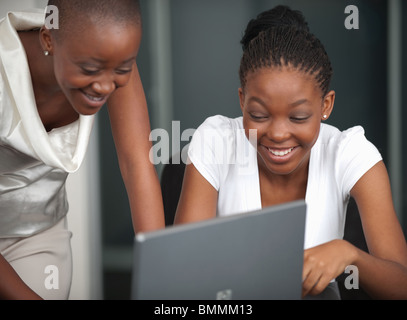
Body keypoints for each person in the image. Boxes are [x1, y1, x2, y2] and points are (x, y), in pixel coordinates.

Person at [174, 5, 407, 299]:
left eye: (298, 117)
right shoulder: (216, 141)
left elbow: (402, 284)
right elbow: (180, 278)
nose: (278, 134)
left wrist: (350, 254)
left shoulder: (349, 153)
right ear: (242, 100)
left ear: (326, 105)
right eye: (258, 115)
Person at [0, 0, 165, 300]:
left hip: (40, 233)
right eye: (89, 69)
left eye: (122, 69)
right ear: (48, 38)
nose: (104, 86)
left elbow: (136, 164)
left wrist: (160, 277)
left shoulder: (110, 54)